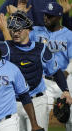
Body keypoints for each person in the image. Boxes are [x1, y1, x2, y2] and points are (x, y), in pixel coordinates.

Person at [0, 10, 72, 131]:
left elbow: (55, 71)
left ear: (28, 30)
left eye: (18, 29)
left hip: (37, 102)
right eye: (12, 29)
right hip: (12, 104)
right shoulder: (5, 48)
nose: (15, 33)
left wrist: (66, 91)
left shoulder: (41, 49)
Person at [28, 2, 72, 130]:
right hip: (44, 81)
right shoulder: (36, 32)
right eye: (45, 15)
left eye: (50, 16)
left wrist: (67, 72)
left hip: (66, 80)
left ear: (58, 17)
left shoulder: (69, 35)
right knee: (41, 117)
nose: (46, 18)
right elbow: (20, 37)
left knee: (70, 119)